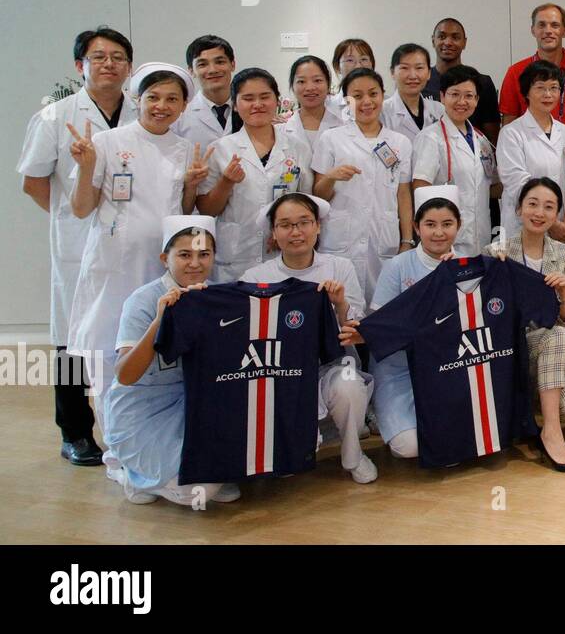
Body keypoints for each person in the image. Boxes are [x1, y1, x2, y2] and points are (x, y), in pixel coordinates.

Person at [17, 26, 138, 466]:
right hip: (77, 248)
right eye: (99, 56)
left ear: (129, 66)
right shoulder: (55, 117)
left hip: (128, 245)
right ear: (79, 66)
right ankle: (74, 431)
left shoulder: (141, 113)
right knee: (70, 339)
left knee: (125, 333)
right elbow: (32, 181)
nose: (109, 64)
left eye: (118, 57)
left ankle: (130, 423)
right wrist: (70, 220)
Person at [66, 63, 209, 408]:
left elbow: (182, 213)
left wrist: (191, 186)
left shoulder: (186, 148)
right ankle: (114, 448)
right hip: (115, 265)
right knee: (105, 346)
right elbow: (82, 208)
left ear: (184, 105)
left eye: (172, 99)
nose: (161, 106)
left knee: (153, 346)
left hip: (162, 269)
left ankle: (146, 427)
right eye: (153, 97)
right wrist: (86, 168)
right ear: (137, 99)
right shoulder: (106, 142)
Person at [240, 193, 378, 484]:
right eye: (286, 225)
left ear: (318, 227)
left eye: (304, 222)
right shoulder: (255, 276)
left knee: (350, 385)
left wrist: (339, 304)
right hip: (278, 370)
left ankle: (353, 456)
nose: (296, 232)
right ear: (274, 233)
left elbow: (356, 330)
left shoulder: (340, 268)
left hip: (331, 364)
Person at [103, 216, 240, 506]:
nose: (195, 264)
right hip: (143, 411)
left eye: (204, 254)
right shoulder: (143, 301)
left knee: (230, 470)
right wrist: (160, 321)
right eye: (184, 255)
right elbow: (125, 375)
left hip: (195, 406)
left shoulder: (220, 297)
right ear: (166, 258)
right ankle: (131, 474)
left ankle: (199, 473)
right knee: (197, 492)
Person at [495, 178, 565, 473]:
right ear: (519, 208)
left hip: (550, 351)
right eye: (532, 204)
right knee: (558, 336)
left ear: (557, 214)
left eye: (549, 207)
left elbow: (564, 318)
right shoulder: (497, 252)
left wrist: (564, 295)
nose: (539, 212)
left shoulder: (564, 254)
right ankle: (551, 433)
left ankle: (538, 421)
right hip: (510, 354)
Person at [364, 186, 461, 461]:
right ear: (417, 228)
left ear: (459, 226)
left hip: (447, 367)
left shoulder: (465, 265)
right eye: (430, 224)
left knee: (456, 436)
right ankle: (379, 408)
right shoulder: (398, 266)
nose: (439, 233)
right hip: (399, 369)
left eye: (447, 224)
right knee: (408, 447)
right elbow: (380, 326)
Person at [196, 68, 315, 282]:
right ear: (235, 104)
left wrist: (285, 233)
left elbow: (306, 201)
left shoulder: (298, 148)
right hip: (236, 256)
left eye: (265, 97)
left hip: (284, 252)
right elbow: (206, 209)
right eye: (248, 98)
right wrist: (226, 182)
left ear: (277, 100)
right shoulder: (220, 149)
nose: (257, 104)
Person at [311, 67, 414, 302]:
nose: (366, 102)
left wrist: (406, 240)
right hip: (340, 239)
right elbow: (318, 195)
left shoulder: (400, 142)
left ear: (383, 95)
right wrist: (331, 177)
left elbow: (403, 194)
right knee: (341, 306)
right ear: (347, 100)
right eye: (357, 96)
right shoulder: (331, 139)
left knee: (383, 305)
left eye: (373, 94)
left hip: (383, 238)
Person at [412, 64, 498, 256]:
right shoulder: (431, 138)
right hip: (444, 241)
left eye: (469, 96)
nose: (462, 101)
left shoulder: (481, 140)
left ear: (477, 100)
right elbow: (420, 188)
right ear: (442, 97)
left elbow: (492, 186)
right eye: (454, 94)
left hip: (480, 236)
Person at [497, 60, 565, 242]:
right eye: (540, 88)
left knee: (557, 271)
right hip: (522, 227)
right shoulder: (511, 133)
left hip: (561, 228)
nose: (548, 94)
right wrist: (552, 222)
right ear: (527, 93)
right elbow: (517, 182)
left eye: (554, 88)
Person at [498, 3, 565, 126]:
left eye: (555, 25)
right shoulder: (516, 72)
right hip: (530, 144)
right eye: (541, 25)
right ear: (533, 30)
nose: (548, 31)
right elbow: (509, 121)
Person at [420, 17, 501, 144]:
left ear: (464, 42)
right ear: (433, 41)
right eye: (441, 37)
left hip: (471, 155)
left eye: (455, 37)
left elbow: (492, 137)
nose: (448, 42)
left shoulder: (482, 82)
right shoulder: (421, 82)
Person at [175, 35, 238, 149]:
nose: (213, 70)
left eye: (220, 62)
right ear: (191, 71)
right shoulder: (180, 116)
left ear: (232, 65)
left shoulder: (248, 108)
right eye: (202, 64)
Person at [381, 43, 446, 144]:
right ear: (392, 72)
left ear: (429, 73)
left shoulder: (439, 110)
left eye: (419, 68)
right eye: (404, 68)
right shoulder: (382, 112)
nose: (412, 75)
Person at [285, 55, 347, 149]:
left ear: (328, 84)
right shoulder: (281, 130)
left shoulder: (344, 126)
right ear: (292, 86)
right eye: (301, 81)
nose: (310, 88)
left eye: (317, 80)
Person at [327, 38, 374, 115]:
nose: (358, 66)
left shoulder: (385, 103)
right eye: (350, 60)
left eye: (364, 59)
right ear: (337, 67)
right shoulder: (328, 105)